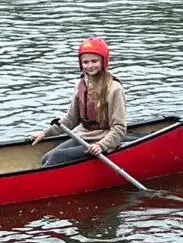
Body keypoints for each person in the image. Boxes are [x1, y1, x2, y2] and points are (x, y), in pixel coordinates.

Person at [26, 36, 127, 167]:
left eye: (94, 61)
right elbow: (70, 120)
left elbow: (119, 128)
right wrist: (45, 133)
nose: (90, 66)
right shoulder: (81, 84)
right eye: (85, 62)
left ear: (103, 61)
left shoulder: (114, 88)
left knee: (56, 158)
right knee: (47, 158)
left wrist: (102, 145)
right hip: (84, 137)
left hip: (104, 141)